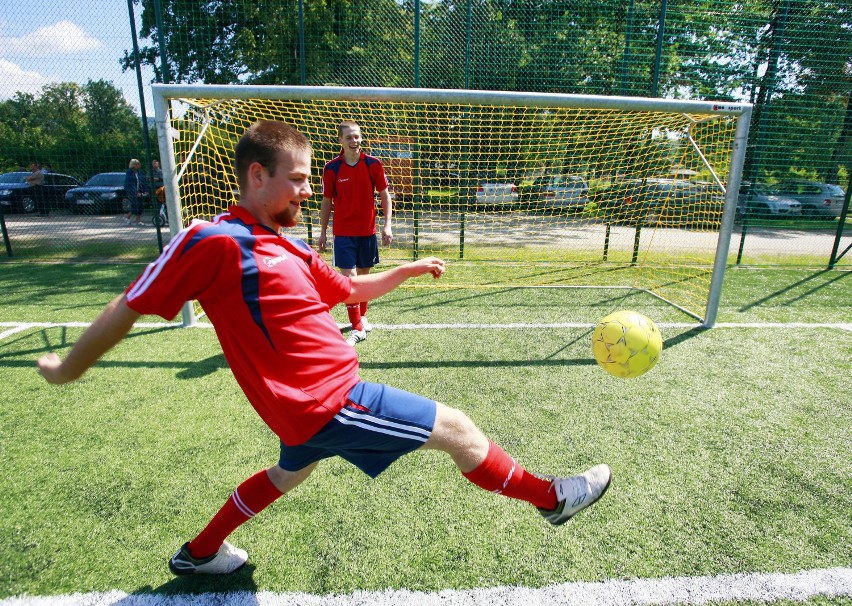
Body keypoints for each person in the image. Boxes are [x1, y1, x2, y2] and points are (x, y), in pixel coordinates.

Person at [36, 120, 611, 577]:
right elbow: (129, 303)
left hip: (305, 407)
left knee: (289, 474)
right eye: (299, 180)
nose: (310, 192)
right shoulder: (213, 240)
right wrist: (68, 368)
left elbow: (353, 289)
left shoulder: (286, 247)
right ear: (257, 176)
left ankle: (200, 552)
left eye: (311, 180)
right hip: (326, 401)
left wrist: (407, 269)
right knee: (458, 430)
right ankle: (550, 498)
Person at [318, 120, 394, 346]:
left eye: (357, 136)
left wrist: (387, 225)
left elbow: (385, 195)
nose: (354, 141)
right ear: (340, 140)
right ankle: (358, 328)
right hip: (343, 234)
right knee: (349, 281)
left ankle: (360, 317)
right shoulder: (331, 168)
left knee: (364, 280)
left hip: (367, 232)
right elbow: (326, 202)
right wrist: (322, 233)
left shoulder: (373, 164)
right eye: (349, 137)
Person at [124, 158, 148, 226]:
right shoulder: (129, 173)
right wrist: (135, 193)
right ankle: (127, 217)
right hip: (131, 192)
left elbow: (143, 181)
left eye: (139, 164)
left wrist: (145, 191)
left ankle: (138, 220)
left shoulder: (140, 172)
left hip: (140, 192)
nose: (139, 165)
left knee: (140, 206)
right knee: (135, 205)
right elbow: (130, 184)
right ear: (133, 165)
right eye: (137, 164)